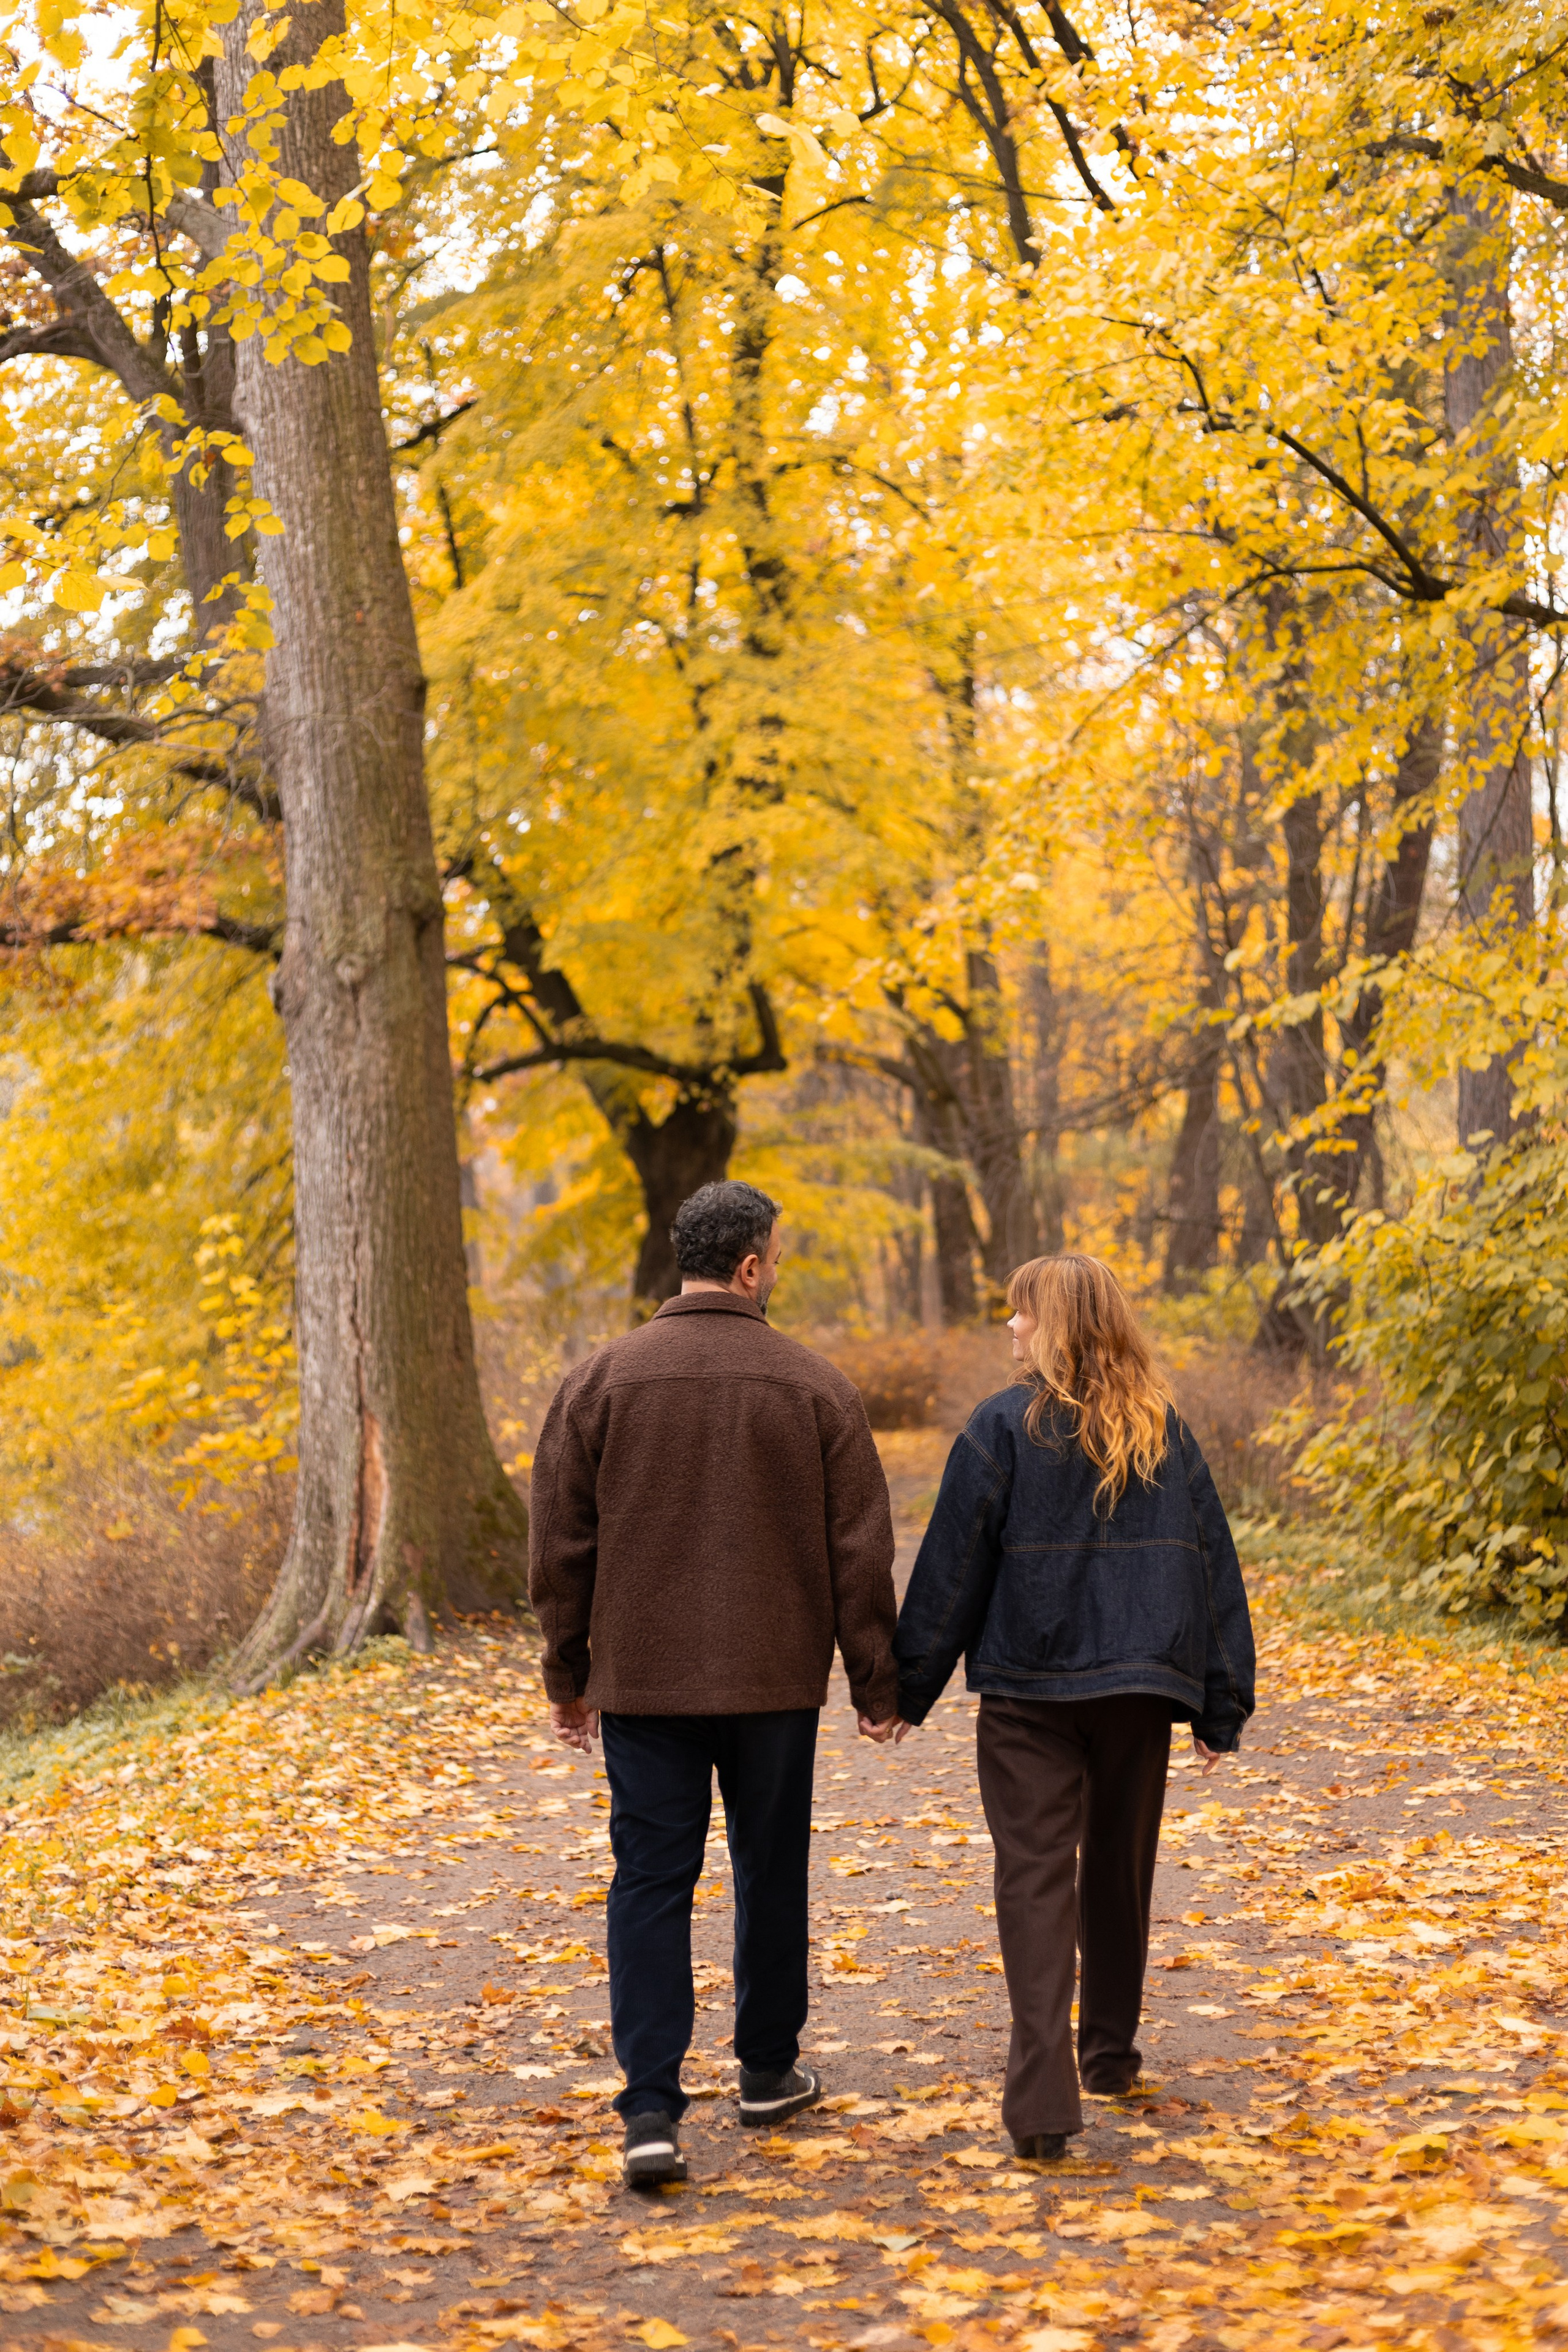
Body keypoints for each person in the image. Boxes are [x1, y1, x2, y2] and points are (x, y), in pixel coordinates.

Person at [528, 1180, 901, 2189]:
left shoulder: (600, 1381)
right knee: (769, 1868)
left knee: (651, 1880)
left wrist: (570, 1672)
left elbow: (560, 1547)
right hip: (774, 1682)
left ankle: (650, 2110)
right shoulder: (816, 1387)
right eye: (773, 1258)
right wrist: (876, 1683)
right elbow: (859, 1551)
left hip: (644, 1685)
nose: (774, 1272)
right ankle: (768, 2071)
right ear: (749, 1268)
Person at [891, 1251, 1254, 2160]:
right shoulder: (1164, 1431)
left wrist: (903, 1689)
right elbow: (1213, 1566)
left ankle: (1045, 2101)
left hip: (1028, 1691)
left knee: (1034, 1877)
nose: (1009, 1329)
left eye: (1020, 1314)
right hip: (1139, 1689)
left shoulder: (1000, 1429)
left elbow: (952, 1574)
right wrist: (1220, 1701)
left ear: (1051, 1326)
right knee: (1119, 1872)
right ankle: (1111, 2055)